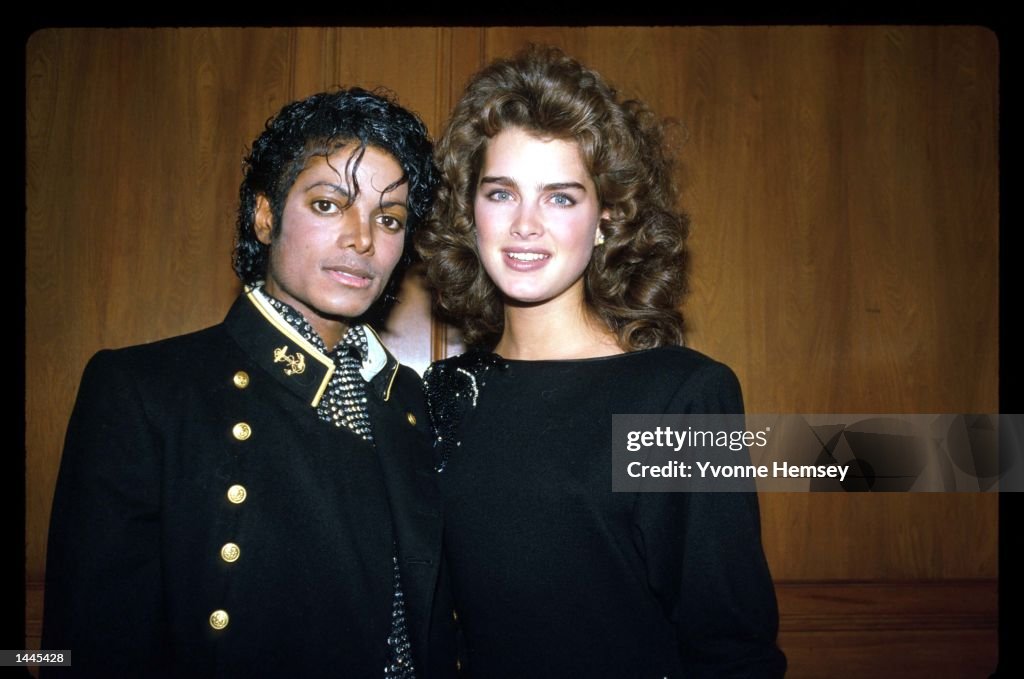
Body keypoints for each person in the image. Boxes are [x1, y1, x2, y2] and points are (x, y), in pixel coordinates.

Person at [42, 88, 455, 677]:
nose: (363, 239)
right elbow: (82, 647)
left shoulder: (409, 400)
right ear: (266, 216)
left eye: (388, 219)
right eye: (329, 204)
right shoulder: (145, 389)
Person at [417, 46, 787, 678]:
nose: (526, 225)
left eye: (560, 198)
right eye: (501, 193)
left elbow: (731, 645)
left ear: (605, 220)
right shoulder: (442, 393)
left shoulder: (682, 396)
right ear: (469, 213)